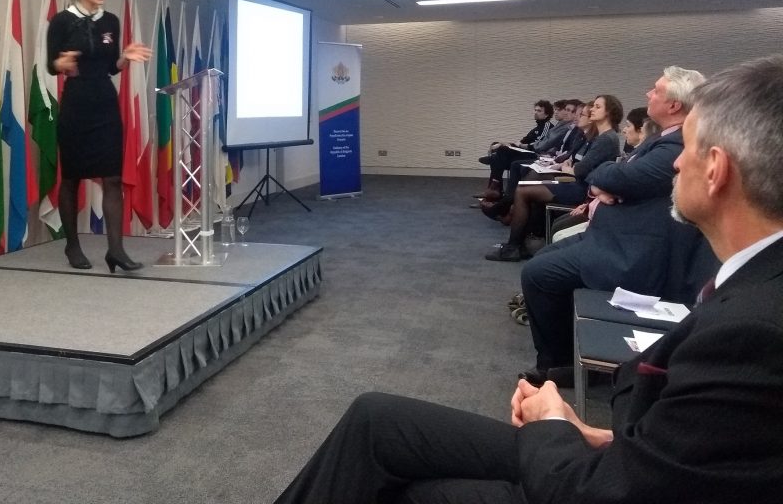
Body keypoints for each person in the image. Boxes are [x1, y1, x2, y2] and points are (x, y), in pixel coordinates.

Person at [273, 55, 783, 504]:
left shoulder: (751, 332)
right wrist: (596, 434)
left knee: (393, 470)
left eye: (687, 149)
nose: (676, 162)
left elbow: (609, 489)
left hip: (589, 480)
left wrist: (555, 424)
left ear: (715, 170)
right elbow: (690, 455)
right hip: (619, 456)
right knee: (375, 423)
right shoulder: (754, 283)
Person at [519, 67, 711, 381]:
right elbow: (612, 174)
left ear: (674, 104)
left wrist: (603, 180)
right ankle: (567, 350)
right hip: (612, 234)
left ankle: (560, 363)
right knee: (540, 261)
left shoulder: (678, 145)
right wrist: (604, 182)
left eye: (656, 90)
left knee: (538, 274)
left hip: (632, 249)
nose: (648, 94)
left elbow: (615, 174)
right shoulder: (663, 139)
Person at [47, 0, 152, 271]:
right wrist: (61, 64)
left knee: (113, 177)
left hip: (105, 104)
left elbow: (110, 67)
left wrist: (124, 59)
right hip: (76, 104)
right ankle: (72, 246)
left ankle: (116, 250)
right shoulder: (61, 21)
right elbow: (51, 64)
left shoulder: (111, 21)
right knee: (71, 178)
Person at [484, 95, 622, 261]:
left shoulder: (606, 138)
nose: (592, 109)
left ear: (609, 113)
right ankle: (524, 242)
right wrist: (571, 167)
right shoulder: (602, 136)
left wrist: (570, 168)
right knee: (530, 186)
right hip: (577, 183)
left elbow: (580, 170)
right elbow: (580, 165)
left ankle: (513, 247)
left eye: (598, 107)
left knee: (523, 191)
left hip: (582, 189)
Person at [476, 100, 554, 197]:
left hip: (535, 155)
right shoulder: (536, 129)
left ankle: (494, 189)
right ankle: (494, 189)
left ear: (546, 114)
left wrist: (506, 145)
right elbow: (520, 142)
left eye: (539, 111)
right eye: (535, 110)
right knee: (497, 148)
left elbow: (539, 145)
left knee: (499, 155)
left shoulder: (547, 127)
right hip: (526, 152)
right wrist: (502, 143)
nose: (535, 112)